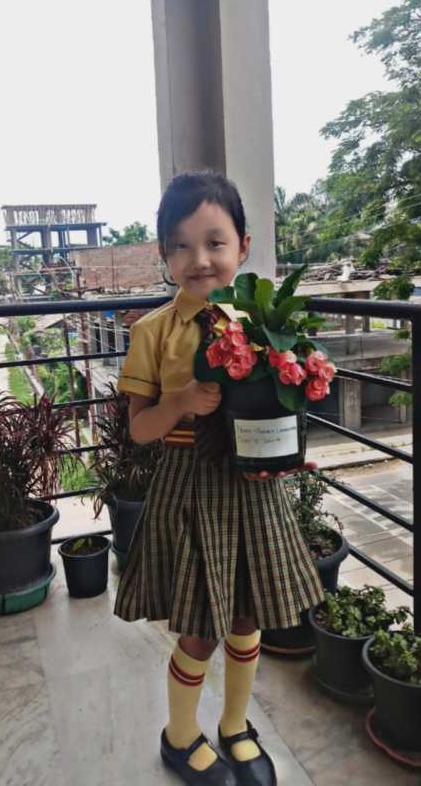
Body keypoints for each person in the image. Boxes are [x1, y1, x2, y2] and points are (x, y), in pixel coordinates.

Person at [114, 171, 324, 786]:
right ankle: (181, 737)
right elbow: (139, 430)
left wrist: (290, 439)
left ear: (244, 246)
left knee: (247, 618)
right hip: (188, 486)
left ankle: (235, 725)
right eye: (180, 245)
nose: (198, 259)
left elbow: (282, 405)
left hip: (252, 484)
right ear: (163, 255)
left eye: (214, 242)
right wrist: (178, 401)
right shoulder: (152, 333)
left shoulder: (264, 327)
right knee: (202, 628)